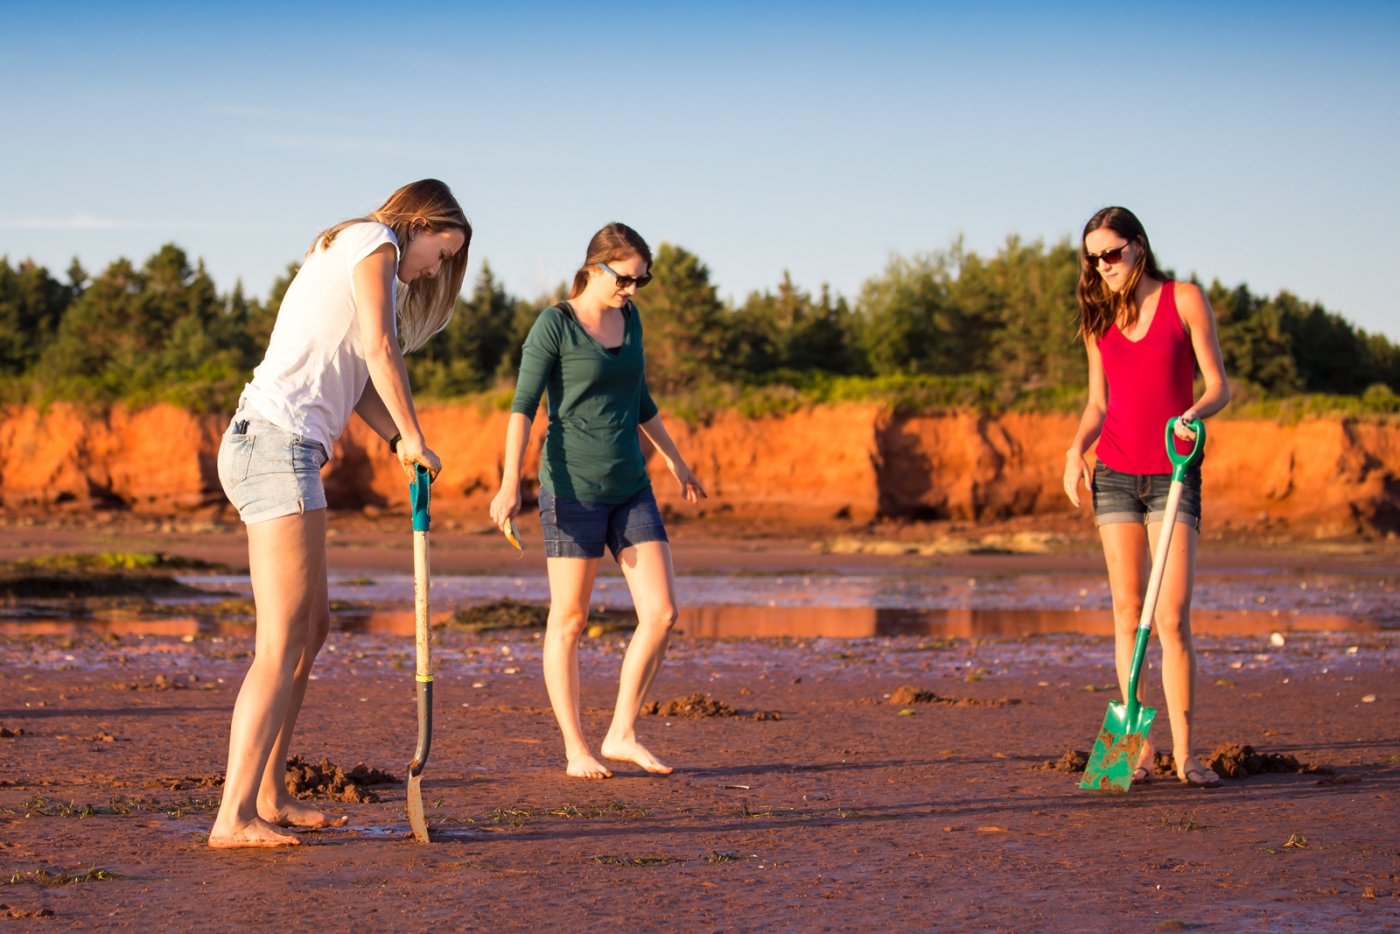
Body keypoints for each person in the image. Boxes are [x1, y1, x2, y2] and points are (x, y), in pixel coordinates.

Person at [208, 180, 470, 847]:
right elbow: (382, 350)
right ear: (417, 222)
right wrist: (413, 433)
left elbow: (357, 381)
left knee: (313, 627)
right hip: (275, 446)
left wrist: (395, 439)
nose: (437, 269)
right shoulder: (374, 241)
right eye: (442, 251)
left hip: (282, 448)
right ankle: (233, 816)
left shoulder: (356, 252)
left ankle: (270, 792)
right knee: (280, 642)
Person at [490, 222, 706, 779]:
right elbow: (523, 406)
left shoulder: (630, 320)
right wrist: (510, 481)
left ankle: (621, 733)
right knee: (570, 619)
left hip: (631, 485)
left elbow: (641, 399)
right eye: (626, 279)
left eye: (641, 281)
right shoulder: (554, 325)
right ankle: (575, 749)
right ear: (595, 267)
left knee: (661, 613)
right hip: (572, 489)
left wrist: (676, 461)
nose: (633, 290)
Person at [1063, 206, 1230, 788]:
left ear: (1138, 246)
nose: (1103, 265)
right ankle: (1137, 752)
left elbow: (1218, 385)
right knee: (1127, 614)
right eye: (1093, 257)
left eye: (1111, 252)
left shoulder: (1184, 299)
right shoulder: (1098, 318)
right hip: (1113, 474)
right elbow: (1098, 404)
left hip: (1172, 473)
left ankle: (1186, 756)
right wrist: (1073, 451)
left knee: (1170, 618)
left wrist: (1192, 414)